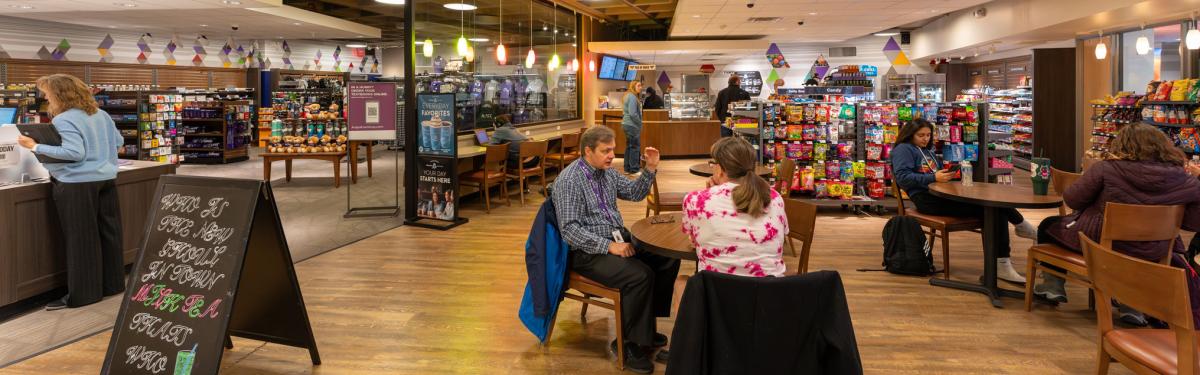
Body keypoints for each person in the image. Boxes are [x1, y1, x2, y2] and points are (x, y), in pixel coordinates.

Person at [1034, 123, 1200, 327]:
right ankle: (1133, 305)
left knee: (1048, 225)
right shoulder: (1185, 179)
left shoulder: (1107, 169)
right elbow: (1193, 223)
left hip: (1105, 244)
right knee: (1136, 251)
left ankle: (1052, 286)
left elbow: (1072, 200)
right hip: (1155, 249)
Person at [552, 126, 678, 374]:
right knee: (639, 275)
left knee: (666, 258)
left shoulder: (606, 172)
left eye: (612, 149)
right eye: (606, 150)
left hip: (616, 238)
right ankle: (628, 343)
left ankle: (646, 327)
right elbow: (570, 231)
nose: (612, 155)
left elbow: (634, 192)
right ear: (588, 151)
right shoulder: (569, 180)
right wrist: (610, 246)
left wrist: (650, 168)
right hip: (586, 252)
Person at [15, 74, 125, 311]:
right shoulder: (101, 115)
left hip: (76, 183)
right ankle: (113, 285)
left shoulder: (64, 119)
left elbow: (74, 153)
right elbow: (119, 142)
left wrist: (34, 146)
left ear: (59, 94)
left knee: (81, 238)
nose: (45, 97)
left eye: (47, 93)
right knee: (109, 233)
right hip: (106, 178)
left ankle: (84, 295)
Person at [891, 119, 1037, 283]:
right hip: (926, 199)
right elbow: (903, 178)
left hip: (940, 193)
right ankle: (1006, 255)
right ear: (910, 135)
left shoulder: (926, 150)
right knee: (993, 208)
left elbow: (933, 171)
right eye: (921, 135)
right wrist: (934, 177)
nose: (925, 139)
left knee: (994, 205)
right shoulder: (903, 149)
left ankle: (1005, 256)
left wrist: (945, 174)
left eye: (928, 135)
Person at [682, 137, 788, 277]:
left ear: (719, 169)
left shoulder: (695, 200)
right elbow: (783, 236)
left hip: (716, 292)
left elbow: (695, 242)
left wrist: (711, 192)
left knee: (681, 281)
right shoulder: (774, 198)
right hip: (769, 292)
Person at [622, 80, 645, 175]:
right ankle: (634, 170)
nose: (641, 87)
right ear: (633, 86)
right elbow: (632, 113)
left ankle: (627, 168)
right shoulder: (632, 97)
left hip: (626, 124)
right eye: (639, 85)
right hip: (632, 125)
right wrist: (639, 123)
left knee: (629, 147)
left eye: (641, 86)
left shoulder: (628, 95)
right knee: (635, 147)